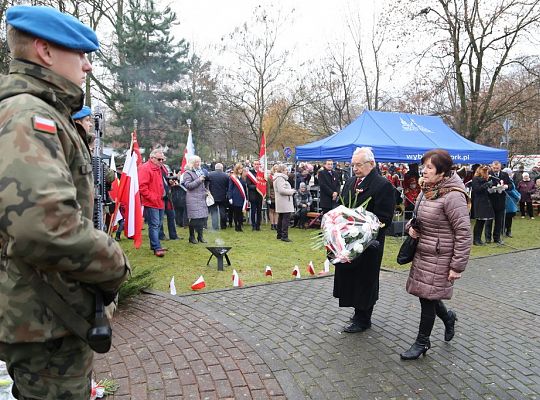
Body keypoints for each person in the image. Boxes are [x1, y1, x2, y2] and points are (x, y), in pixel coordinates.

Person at [0, 6, 131, 399]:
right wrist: (113, 263)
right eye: (80, 54)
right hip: (43, 319)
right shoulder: (28, 114)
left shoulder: (43, 111)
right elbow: (43, 224)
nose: (87, 67)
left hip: (47, 310)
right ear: (45, 51)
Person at [401, 149, 471, 360]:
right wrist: (410, 228)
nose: (424, 171)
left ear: (442, 172)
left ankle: (422, 342)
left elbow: (463, 232)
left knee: (427, 300)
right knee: (427, 295)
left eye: (429, 167)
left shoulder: (453, 196)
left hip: (441, 256)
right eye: (424, 166)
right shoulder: (427, 190)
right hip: (423, 253)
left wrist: (457, 266)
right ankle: (448, 318)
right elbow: (417, 218)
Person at [333, 147, 395, 333]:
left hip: (369, 243)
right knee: (351, 278)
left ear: (371, 164)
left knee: (365, 280)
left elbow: (384, 218)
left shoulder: (382, 185)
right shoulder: (351, 182)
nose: (355, 169)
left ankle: (363, 318)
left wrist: (364, 230)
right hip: (348, 241)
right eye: (353, 165)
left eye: (359, 165)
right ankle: (357, 311)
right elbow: (341, 206)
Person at [139, 149, 167, 257]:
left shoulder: (159, 168)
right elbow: (142, 187)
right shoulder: (146, 168)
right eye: (159, 159)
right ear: (152, 158)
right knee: (154, 225)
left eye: (162, 159)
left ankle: (154, 245)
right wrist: (154, 197)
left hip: (159, 201)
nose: (161, 161)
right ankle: (156, 247)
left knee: (158, 224)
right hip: (152, 202)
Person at [182, 155, 209, 243]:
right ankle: (191, 236)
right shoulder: (187, 173)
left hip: (201, 198)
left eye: (199, 161)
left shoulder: (199, 172)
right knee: (194, 219)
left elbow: (202, 185)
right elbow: (188, 186)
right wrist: (199, 180)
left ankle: (200, 237)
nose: (198, 163)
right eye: (196, 162)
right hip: (193, 199)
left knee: (202, 218)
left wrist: (206, 191)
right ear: (191, 163)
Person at [484, 161, 511, 244]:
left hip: (501, 200)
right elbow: (483, 185)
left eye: (497, 168)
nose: (495, 170)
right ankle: (488, 238)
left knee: (499, 221)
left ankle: (497, 238)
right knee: (489, 220)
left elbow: (510, 185)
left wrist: (506, 186)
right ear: (492, 167)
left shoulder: (504, 175)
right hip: (490, 200)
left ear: (500, 167)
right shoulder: (488, 174)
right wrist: (491, 188)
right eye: (494, 168)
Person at [471, 165, 494, 246]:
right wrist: (486, 184)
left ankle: (479, 239)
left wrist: (492, 188)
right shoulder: (475, 179)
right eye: (485, 172)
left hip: (485, 202)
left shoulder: (484, 180)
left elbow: (485, 191)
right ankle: (476, 240)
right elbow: (477, 190)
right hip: (479, 202)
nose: (486, 173)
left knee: (482, 221)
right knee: (479, 222)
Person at [273, 163, 296, 242]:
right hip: (284, 201)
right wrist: (291, 191)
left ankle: (280, 234)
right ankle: (284, 235)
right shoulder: (280, 178)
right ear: (282, 170)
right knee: (285, 218)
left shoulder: (280, 178)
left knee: (281, 218)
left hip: (283, 201)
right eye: (286, 170)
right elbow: (281, 190)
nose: (287, 171)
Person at [207, 162, 230, 230]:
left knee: (214, 212)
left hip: (213, 196)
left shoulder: (210, 174)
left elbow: (207, 184)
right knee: (223, 211)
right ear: (222, 168)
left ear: (215, 168)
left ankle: (215, 226)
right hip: (222, 196)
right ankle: (223, 225)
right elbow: (227, 186)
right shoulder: (225, 176)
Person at [228, 163, 248, 232]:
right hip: (235, 197)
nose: (240, 170)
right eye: (239, 169)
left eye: (241, 169)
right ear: (236, 169)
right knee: (236, 212)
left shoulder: (243, 177)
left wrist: (246, 198)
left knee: (241, 212)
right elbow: (230, 188)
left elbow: (245, 189)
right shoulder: (233, 177)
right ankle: (236, 226)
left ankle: (240, 225)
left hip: (242, 197)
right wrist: (230, 197)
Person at [502, 168, 520, 237]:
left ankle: (508, 230)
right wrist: (517, 196)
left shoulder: (511, 180)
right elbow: (510, 190)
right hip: (508, 200)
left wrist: (518, 195)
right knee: (506, 217)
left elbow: (514, 189)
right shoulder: (505, 180)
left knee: (509, 217)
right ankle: (504, 230)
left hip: (512, 201)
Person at [247, 160, 264, 231]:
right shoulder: (250, 173)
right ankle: (253, 225)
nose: (257, 165)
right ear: (253, 165)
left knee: (259, 211)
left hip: (260, 195)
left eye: (258, 164)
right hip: (253, 195)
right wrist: (257, 187)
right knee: (253, 211)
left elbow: (263, 184)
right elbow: (249, 185)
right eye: (255, 164)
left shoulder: (262, 173)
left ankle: (258, 225)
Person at [267, 165, 279, 230]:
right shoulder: (270, 177)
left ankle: (276, 223)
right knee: (271, 210)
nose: (276, 170)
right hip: (272, 195)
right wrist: (268, 197)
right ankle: (272, 224)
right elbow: (268, 187)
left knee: (277, 211)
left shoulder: (279, 177)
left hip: (278, 196)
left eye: (277, 169)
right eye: (275, 169)